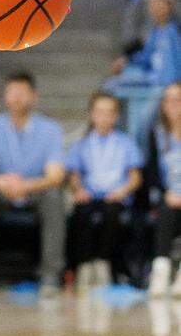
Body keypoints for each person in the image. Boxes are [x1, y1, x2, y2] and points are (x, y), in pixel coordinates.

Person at [0, 73, 66, 300]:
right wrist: (0, 183)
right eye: (12, 92)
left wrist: (29, 185)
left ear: (34, 96)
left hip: (36, 191)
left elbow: (56, 175)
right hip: (1, 192)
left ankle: (50, 277)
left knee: (54, 196)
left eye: (22, 93)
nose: (16, 98)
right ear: (5, 96)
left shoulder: (50, 129)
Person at [65, 92, 142, 290]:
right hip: (89, 195)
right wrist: (79, 190)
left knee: (112, 212)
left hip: (115, 196)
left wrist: (122, 191)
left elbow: (135, 177)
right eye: (99, 112)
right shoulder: (81, 144)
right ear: (92, 114)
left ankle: (103, 264)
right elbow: (74, 175)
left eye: (109, 113)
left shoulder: (126, 143)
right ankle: (84, 265)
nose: (104, 117)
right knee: (81, 212)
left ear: (116, 116)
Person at [143, 81, 181, 297]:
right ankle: (161, 270)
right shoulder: (156, 134)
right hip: (169, 195)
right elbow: (152, 173)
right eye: (168, 100)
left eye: (177, 99)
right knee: (166, 209)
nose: (173, 104)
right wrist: (168, 193)